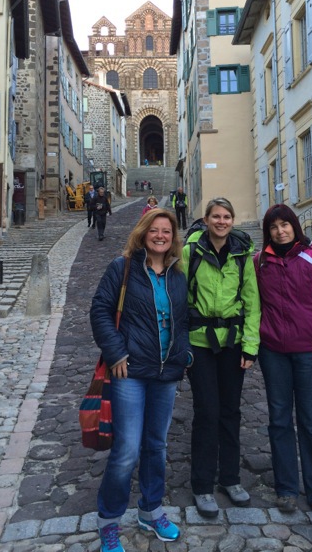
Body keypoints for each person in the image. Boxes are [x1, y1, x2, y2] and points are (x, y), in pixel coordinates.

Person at [90, 209, 193, 551]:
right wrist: (116, 351)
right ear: (143, 233)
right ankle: (109, 519)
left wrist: (185, 353)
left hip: (166, 373)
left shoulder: (178, 273)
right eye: (155, 230)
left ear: (173, 236)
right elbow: (101, 310)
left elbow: (183, 318)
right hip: (131, 372)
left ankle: (151, 510)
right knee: (126, 450)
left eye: (167, 231)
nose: (161, 235)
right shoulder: (123, 269)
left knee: (157, 446)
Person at [253, 204, 312, 521]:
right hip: (272, 351)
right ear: (269, 231)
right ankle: (287, 488)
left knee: (310, 422)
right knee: (279, 420)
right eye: (274, 226)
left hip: (309, 351)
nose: (280, 231)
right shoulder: (260, 261)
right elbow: (253, 304)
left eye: (285, 225)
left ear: (295, 226)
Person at [183, 197, 261, 518]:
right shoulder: (191, 253)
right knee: (207, 412)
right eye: (216, 216)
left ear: (232, 220)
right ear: (206, 219)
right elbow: (180, 296)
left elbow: (252, 303)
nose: (222, 221)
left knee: (230, 411)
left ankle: (230, 479)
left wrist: (250, 347)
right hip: (199, 344)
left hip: (232, 343)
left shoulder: (243, 254)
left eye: (227, 216)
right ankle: (202, 485)